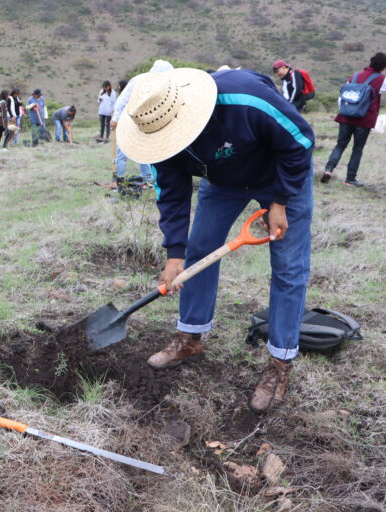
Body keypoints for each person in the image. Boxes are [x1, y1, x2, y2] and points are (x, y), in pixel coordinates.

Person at [117, 68, 314, 414]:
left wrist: (280, 201)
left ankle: (280, 363)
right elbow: (172, 195)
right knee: (199, 249)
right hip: (222, 183)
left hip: (278, 173)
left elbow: (300, 140)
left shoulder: (244, 100)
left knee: (288, 265)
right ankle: (190, 338)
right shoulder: (160, 135)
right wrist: (173, 254)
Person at [321, 52, 386, 186]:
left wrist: (342, 111)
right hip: (364, 119)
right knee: (357, 148)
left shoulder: (354, 76)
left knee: (340, 145)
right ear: (383, 66)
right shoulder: (381, 79)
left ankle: (329, 169)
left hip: (346, 116)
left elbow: (341, 97)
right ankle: (350, 179)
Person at [111, 60, 174, 189]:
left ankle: (149, 180)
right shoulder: (138, 80)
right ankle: (120, 180)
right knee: (123, 151)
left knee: (145, 151)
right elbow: (123, 100)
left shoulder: (165, 83)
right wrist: (116, 118)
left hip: (148, 121)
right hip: (128, 121)